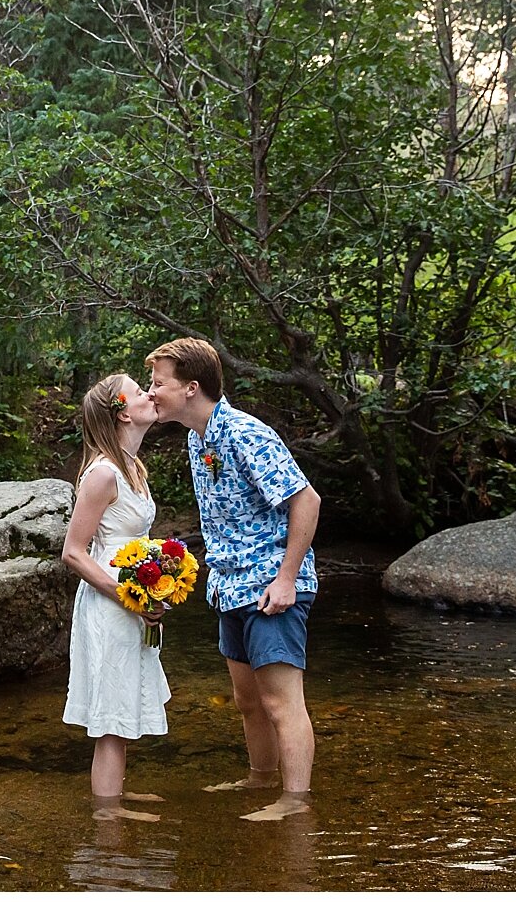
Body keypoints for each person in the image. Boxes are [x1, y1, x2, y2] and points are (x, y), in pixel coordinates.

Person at [145, 338, 321, 822]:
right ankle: (260, 779)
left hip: (271, 587)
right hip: (229, 587)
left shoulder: (245, 434)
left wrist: (286, 580)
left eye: (159, 383)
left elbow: (307, 501)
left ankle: (294, 802)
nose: (151, 392)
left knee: (281, 701)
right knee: (248, 701)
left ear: (191, 388)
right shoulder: (197, 438)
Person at [61, 373, 170, 823]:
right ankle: (108, 817)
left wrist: (161, 581)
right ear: (123, 412)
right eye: (140, 390)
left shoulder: (132, 467)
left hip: (132, 604)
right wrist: (128, 596)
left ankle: (115, 796)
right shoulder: (103, 473)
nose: (150, 393)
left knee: (124, 704)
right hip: (109, 608)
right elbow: (72, 552)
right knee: (109, 718)